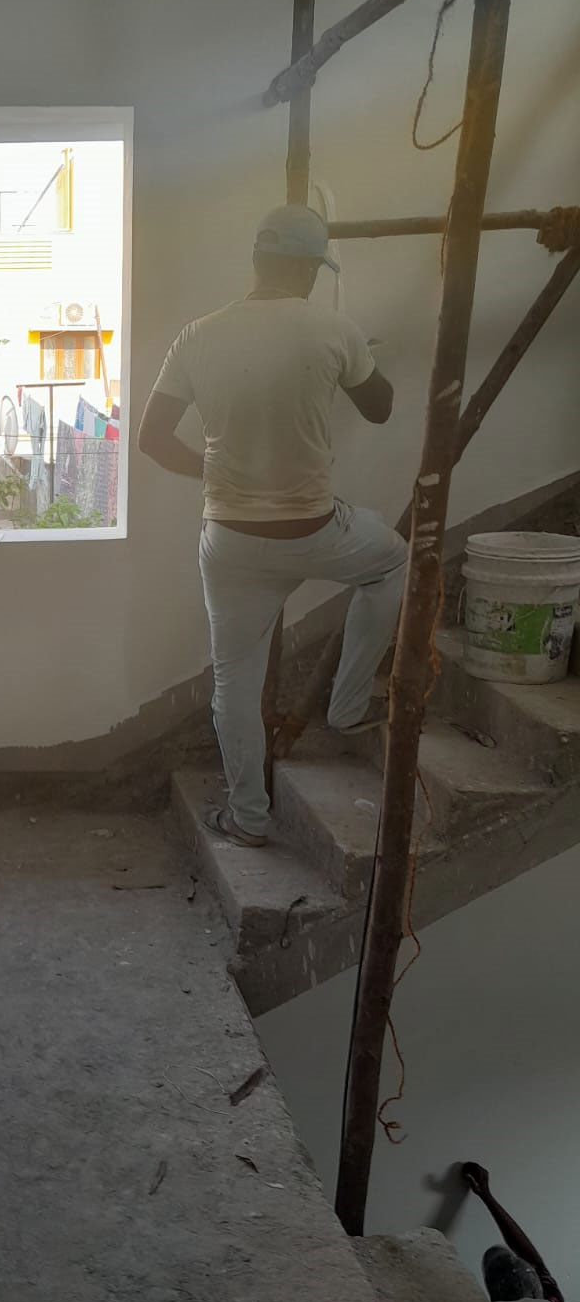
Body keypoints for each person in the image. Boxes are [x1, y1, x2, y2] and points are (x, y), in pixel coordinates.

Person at [138, 205, 404, 849]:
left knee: (235, 682)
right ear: (311, 269)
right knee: (393, 561)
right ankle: (347, 709)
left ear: (257, 260)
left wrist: (213, 471)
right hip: (315, 532)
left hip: (230, 540)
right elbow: (381, 408)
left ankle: (248, 819)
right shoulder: (333, 329)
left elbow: (152, 439)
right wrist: (356, 359)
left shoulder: (197, 335)